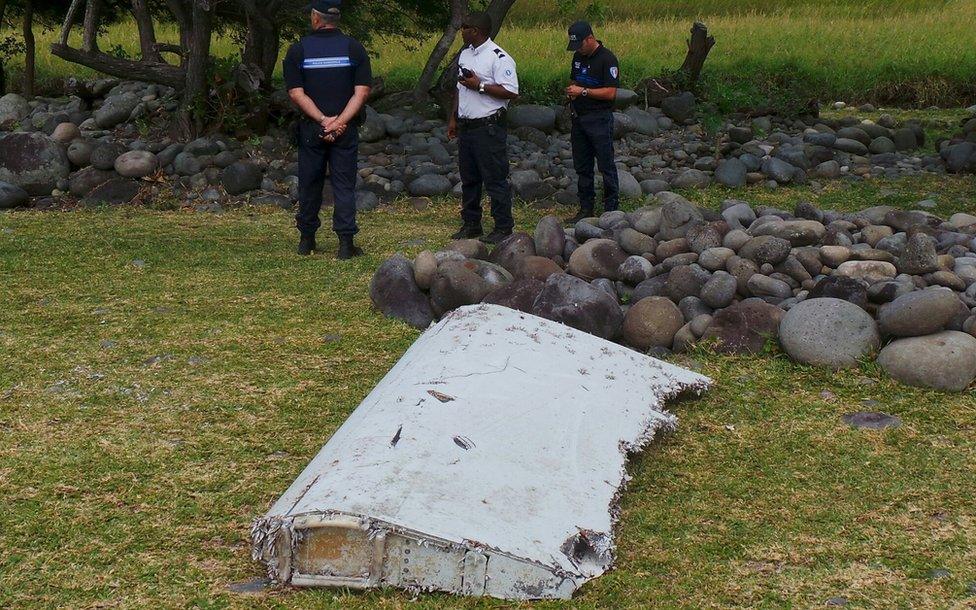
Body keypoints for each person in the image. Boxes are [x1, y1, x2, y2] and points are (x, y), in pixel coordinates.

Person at [282, 0, 372, 259]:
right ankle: (345, 244)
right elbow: (362, 91)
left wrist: (323, 120)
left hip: (312, 129)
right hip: (345, 129)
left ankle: (306, 240)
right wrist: (340, 121)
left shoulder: (299, 50)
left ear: (315, 18)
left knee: (309, 183)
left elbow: (296, 93)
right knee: (344, 185)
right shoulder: (353, 48)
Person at [447, 12, 519, 244]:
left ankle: (503, 226)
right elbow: (460, 88)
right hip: (467, 125)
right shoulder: (465, 54)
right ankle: (471, 223)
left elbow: (511, 91)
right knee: (469, 178)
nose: (461, 31)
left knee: (495, 178)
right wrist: (453, 118)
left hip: (488, 127)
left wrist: (481, 85)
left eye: (464, 27)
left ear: (475, 31)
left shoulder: (499, 57)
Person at [565, 20, 620, 225]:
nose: (578, 49)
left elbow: (611, 92)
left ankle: (611, 207)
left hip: (599, 118)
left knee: (606, 164)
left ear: (590, 38)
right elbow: (575, 81)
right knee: (582, 165)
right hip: (579, 117)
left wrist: (584, 91)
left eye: (580, 44)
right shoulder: (578, 57)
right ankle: (586, 206)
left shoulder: (607, 59)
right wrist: (573, 91)